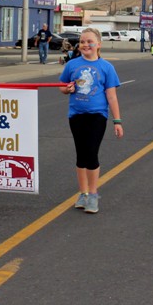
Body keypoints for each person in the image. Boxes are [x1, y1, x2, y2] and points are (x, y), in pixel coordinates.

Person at [59, 28, 124, 214]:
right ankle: (83, 194)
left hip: (97, 116)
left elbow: (111, 96)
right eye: (82, 41)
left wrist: (117, 121)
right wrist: (67, 90)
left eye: (89, 41)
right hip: (76, 115)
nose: (85, 45)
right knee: (80, 155)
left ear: (98, 44)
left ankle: (93, 195)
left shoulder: (106, 67)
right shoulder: (72, 65)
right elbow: (62, 87)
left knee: (91, 153)